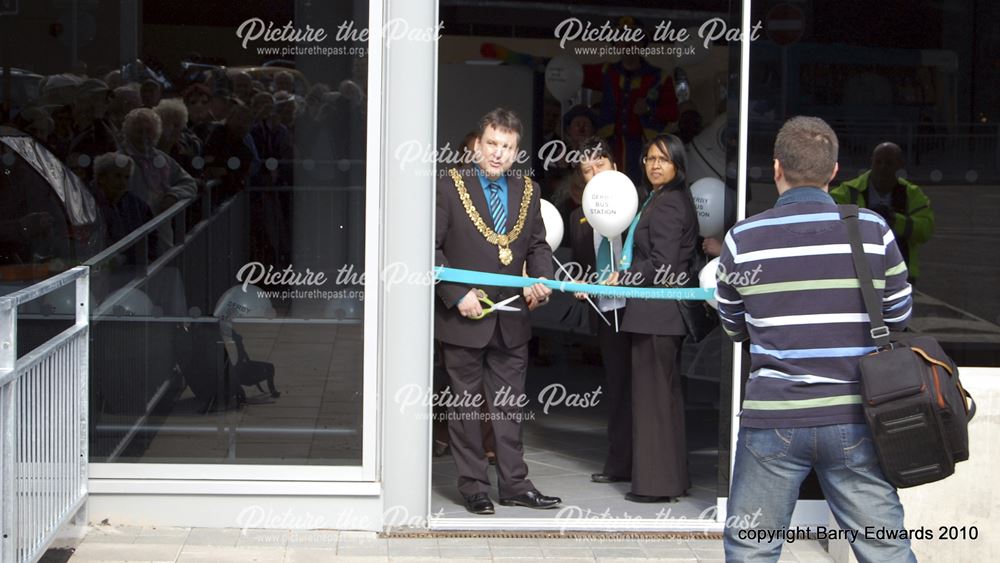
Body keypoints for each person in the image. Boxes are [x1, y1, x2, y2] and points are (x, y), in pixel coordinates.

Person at [717, 116, 915, 562]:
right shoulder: (872, 230)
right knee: (884, 549)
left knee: (751, 549)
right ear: (834, 172)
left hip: (773, 417)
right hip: (857, 417)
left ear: (775, 169)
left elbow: (732, 327)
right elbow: (899, 314)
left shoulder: (743, 239)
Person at [435, 108, 559, 515]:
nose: (497, 154)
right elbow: (428, 248)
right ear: (478, 145)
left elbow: (539, 245)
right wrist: (456, 294)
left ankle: (515, 485)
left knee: (508, 407)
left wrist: (540, 279)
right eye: (492, 144)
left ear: (516, 151)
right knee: (467, 408)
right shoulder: (449, 187)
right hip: (464, 318)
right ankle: (473, 487)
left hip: (512, 319)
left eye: (506, 147)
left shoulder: (528, 189)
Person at [610, 134, 696, 503]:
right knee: (664, 400)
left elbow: (662, 265)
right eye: (649, 158)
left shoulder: (668, 204)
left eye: (664, 159)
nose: (655, 165)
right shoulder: (659, 199)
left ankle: (656, 486)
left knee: (653, 403)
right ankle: (671, 480)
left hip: (656, 315)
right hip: (657, 316)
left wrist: (622, 277)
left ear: (678, 164)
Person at [568, 136, 633, 485]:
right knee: (618, 387)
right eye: (587, 170)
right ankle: (620, 463)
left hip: (640, 310)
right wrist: (582, 285)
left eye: (600, 165)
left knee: (645, 388)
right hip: (607, 313)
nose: (594, 174)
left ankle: (652, 463)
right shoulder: (580, 216)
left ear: (615, 167)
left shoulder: (637, 207)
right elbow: (581, 268)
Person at [831, 142, 934, 284]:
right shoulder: (848, 191)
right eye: (878, 162)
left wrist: (895, 220)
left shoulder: (912, 194)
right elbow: (828, 220)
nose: (882, 167)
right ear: (871, 161)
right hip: (857, 275)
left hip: (899, 274)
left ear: (899, 165)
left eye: (889, 163)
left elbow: (926, 230)